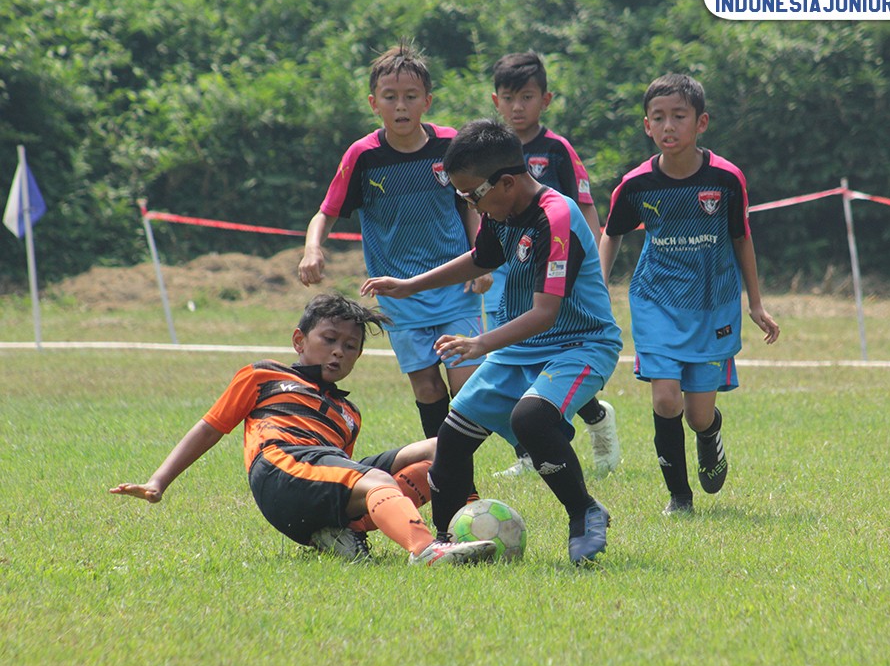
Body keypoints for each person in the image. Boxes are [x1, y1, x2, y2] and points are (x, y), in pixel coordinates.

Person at [361, 119, 622, 564]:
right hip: (520, 350)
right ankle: (444, 544)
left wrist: (480, 345)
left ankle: (584, 512)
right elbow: (481, 258)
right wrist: (409, 285)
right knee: (453, 438)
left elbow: (546, 313)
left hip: (580, 344)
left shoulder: (554, 218)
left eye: (471, 194)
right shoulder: (500, 211)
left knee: (531, 419)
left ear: (506, 181)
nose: (468, 204)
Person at [110, 293, 496, 567]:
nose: (339, 352)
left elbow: (340, 474)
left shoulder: (349, 412)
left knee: (438, 449)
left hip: (319, 474)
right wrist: (159, 481)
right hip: (281, 466)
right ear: (299, 340)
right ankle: (426, 551)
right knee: (375, 477)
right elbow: (210, 428)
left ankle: (452, 523)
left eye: (351, 346)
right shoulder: (265, 375)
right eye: (329, 340)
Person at [599, 73, 780, 516]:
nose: (668, 127)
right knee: (665, 399)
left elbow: (741, 237)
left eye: (679, 116)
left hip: (713, 303)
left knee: (698, 414)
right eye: (658, 118)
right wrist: (595, 290)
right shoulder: (637, 184)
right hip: (656, 300)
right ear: (646, 126)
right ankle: (679, 498)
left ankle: (710, 434)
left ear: (701, 123)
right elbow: (612, 234)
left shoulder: (725, 178)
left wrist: (755, 303)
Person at [297, 42, 491, 443]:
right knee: (427, 388)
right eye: (390, 97)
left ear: (427, 101)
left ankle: (469, 458)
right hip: (398, 294)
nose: (400, 106)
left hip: (455, 283)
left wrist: (482, 259)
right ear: (374, 103)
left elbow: (475, 203)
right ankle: (447, 472)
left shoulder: (450, 145)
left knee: (466, 384)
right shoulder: (363, 156)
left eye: (410, 97)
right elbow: (326, 212)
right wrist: (313, 247)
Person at [488, 51, 620, 479]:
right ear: (495, 101)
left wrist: (596, 271)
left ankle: (595, 418)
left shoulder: (557, 149)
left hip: (554, 269)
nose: (517, 107)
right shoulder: (488, 151)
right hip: (508, 273)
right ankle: (528, 454)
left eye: (526, 97)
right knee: (515, 360)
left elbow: (584, 208)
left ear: (545, 99)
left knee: (555, 355)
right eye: (509, 98)